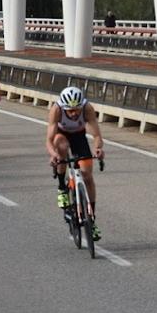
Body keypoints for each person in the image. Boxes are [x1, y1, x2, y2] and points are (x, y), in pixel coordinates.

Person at [45, 86, 104, 242]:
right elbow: (49, 140)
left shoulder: (87, 108)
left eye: (76, 110)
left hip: (79, 136)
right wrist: (54, 155)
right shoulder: (56, 110)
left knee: (87, 176)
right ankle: (62, 188)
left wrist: (98, 149)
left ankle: (91, 220)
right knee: (61, 147)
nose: (73, 113)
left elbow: (97, 135)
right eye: (69, 111)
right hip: (61, 135)